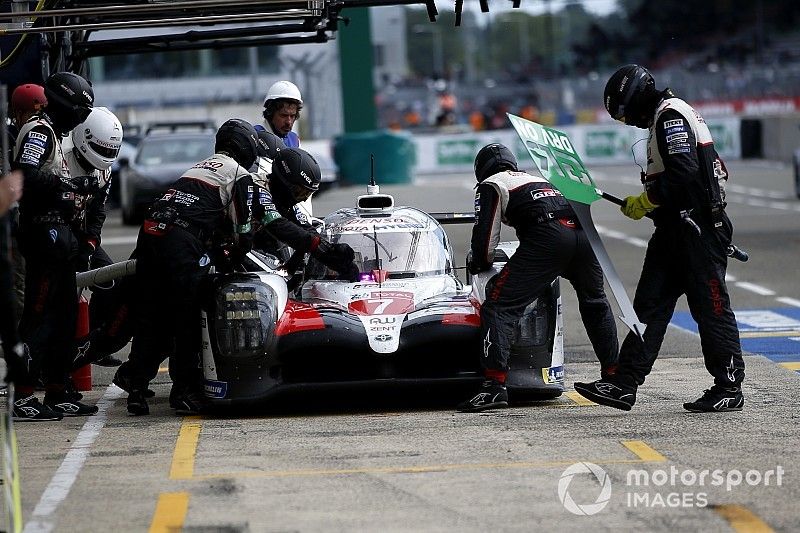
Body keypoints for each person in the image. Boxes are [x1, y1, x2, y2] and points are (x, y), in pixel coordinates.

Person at [113, 120, 357, 416]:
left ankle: (135, 385)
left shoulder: (200, 166)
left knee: (153, 313)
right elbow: (267, 226)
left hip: (151, 234)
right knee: (189, 315)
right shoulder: (243, 176)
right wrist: (323, 249)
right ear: (247, 148)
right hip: (182, 241)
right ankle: (185, 392)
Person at [574, 64, 745, 413]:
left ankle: (729, 387)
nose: (628, 122)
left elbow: (685, 170)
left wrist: (647, 200)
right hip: (675, 230)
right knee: (648, 308)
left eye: (625, 114)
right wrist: (655, 207)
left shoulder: (670, 116)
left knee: (710, 308)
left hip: (698, 231)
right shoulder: (667, 117)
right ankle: (623, 384)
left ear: (635, 98)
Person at [457, 143, 619, 412]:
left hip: (549, 238)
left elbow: (486, 240)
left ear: (480, 171)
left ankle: (494, 386)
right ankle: (614, 376)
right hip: (583, 234)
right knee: (595, 302)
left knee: (499, 305)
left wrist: (479, 263)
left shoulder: (491, 184)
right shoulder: (538, 178)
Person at [11, 71, 98, 420]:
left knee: (63, 316)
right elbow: (26, 172)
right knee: (38, 315)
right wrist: (68, 186)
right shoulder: (38, 131)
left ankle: (58, 391)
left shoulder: (55, 137)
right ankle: (23, 394)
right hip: (40, 235)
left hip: (60, 238)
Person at [62, 106, 125, 367]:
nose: (103, 158)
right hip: (53, 237)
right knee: (60, 298)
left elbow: (98, 209)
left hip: (82, 234)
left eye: (110, 152)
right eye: (102, 150)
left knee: (111, 281)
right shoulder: (60, 160)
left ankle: (93, 345)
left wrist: (90, 242)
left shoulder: (104, 170)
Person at [260, 80, 302, 148]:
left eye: (292, 116)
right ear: (270, 114)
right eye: (283, 115)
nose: (289, 122)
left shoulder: (294, 140)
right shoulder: (254, 137)